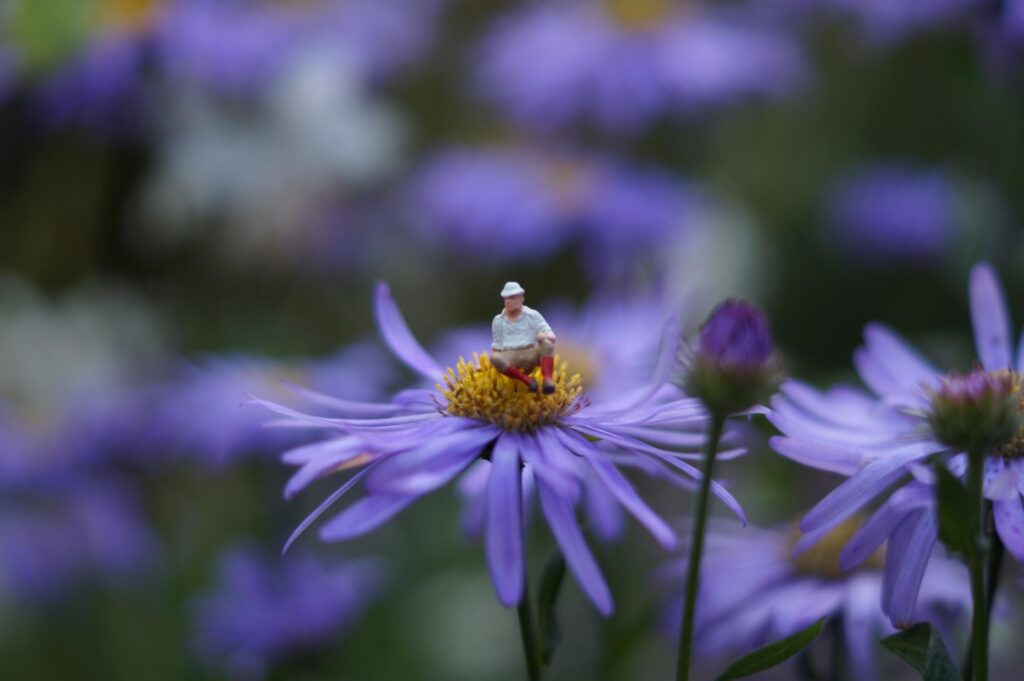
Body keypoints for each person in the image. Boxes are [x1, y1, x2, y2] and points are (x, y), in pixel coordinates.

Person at [490, 282, 557, 393]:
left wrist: (542, 336)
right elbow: (497, 346)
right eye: (506, 298)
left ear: (522, 298)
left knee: (547, 344)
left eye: (512, 297)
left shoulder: (533, 315)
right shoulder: (498, 320)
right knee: (494, 358)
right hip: (510, 355)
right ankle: (527, 380)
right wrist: (492, 363)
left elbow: (551, 336)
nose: (508, 301)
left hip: (530, 353)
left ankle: (547, 380)